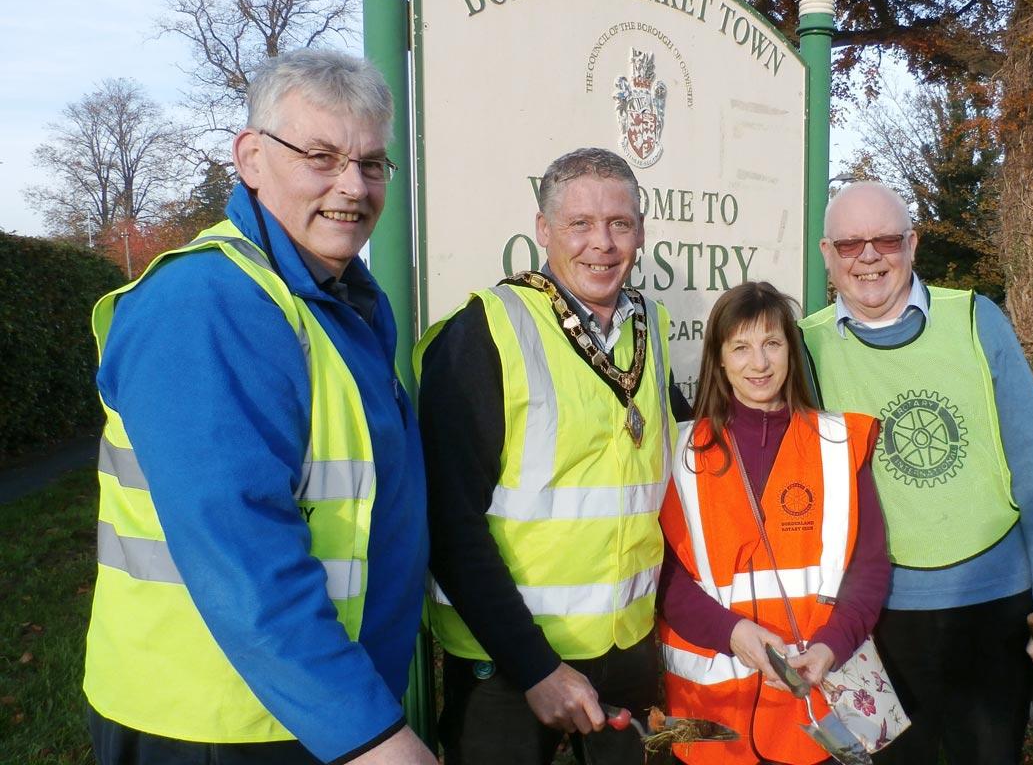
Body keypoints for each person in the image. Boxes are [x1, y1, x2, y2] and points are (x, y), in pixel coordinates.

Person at [84, 49, 436, 765]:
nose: (352, 186)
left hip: (306, 709)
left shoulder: (334, 300)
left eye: (372, 164)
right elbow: (240, 547)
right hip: (217, 724)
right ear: (250, 157)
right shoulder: (207, 305)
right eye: (321, 155)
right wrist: (370, 734)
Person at [799, 181, 1033, 764]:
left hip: (993, 610)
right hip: (873, 618)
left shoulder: (977, 320)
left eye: (884, 239)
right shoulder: (805, 349)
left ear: (912, 244)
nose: (869, 256)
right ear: (828, 255)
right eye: (850, 243)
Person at [415, 147, 680, 764]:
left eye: (619, 224)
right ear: (543, 231)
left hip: (627, 653)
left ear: (640, 232)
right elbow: (450, 525)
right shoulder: (486, 331)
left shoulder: (653, 329)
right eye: (579, 225)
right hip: (508, 666)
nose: (602, 244)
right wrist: (535, 668)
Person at [657, 281, 891, 764]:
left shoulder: (838, 443)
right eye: (740, 347)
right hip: (710, 715)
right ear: (718, 359)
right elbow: (663, 575)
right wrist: (730, 632)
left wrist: (831, 646)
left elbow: (869, 569)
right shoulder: (676, 452)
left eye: (772, 344)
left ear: (791, 349)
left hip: (811, 703)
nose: (758, 363)